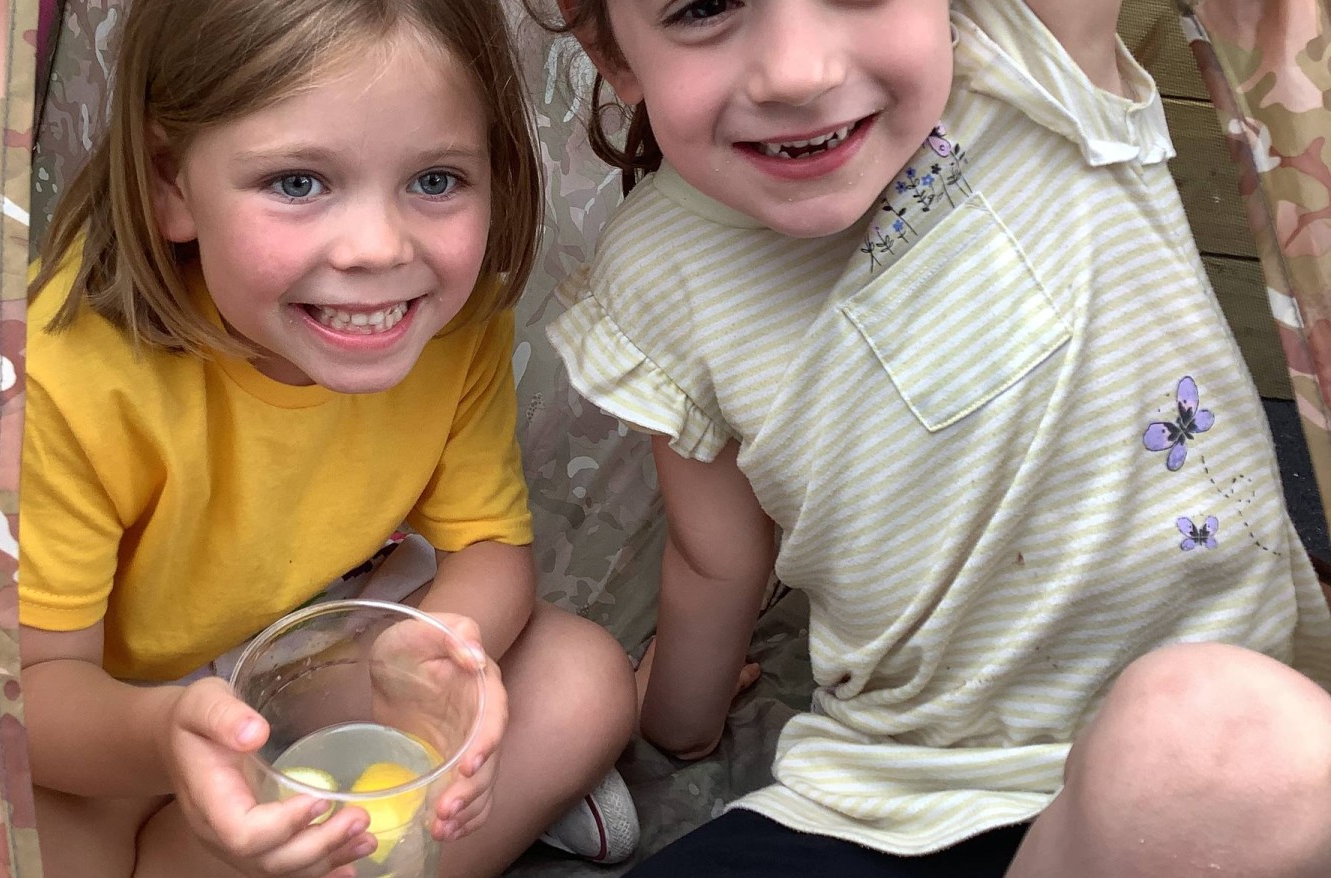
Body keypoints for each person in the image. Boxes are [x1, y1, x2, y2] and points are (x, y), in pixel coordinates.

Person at [544, 0, 1331, 874]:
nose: (796, 71)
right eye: (703, 6)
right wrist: (675, 725)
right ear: (612, 54)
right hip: (903, 787)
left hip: (1223, 761)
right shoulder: (654, 267)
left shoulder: (1031, 55)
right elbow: (714, 560)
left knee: (1227, 738)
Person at [17, 0, 640, 875]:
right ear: (170, 185)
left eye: (435, 181)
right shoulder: (68, 376)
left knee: (583, 681)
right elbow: (37, 698)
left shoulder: (452, 326)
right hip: (118, 718)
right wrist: (165, 738)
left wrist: (434, 662)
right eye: (298, 183)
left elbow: (490, 543)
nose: (379, 249)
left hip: (313, 658)